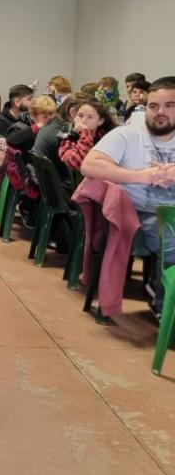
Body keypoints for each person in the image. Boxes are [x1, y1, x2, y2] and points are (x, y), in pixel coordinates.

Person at [81, 77, 175, 318]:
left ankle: (161, 290)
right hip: (136, 214)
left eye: (169, 106)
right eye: (154, 106)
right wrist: (142, 176)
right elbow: (90, 166)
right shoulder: (128, 134)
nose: (160, 112)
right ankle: (167, 309)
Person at [58, 100, 117, 172]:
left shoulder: (106, 136)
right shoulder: (68, 136)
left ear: (100, 121)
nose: (83, 120)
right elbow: (79, 164)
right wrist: (85, 134)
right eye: (80, 116)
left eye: (90, 117)